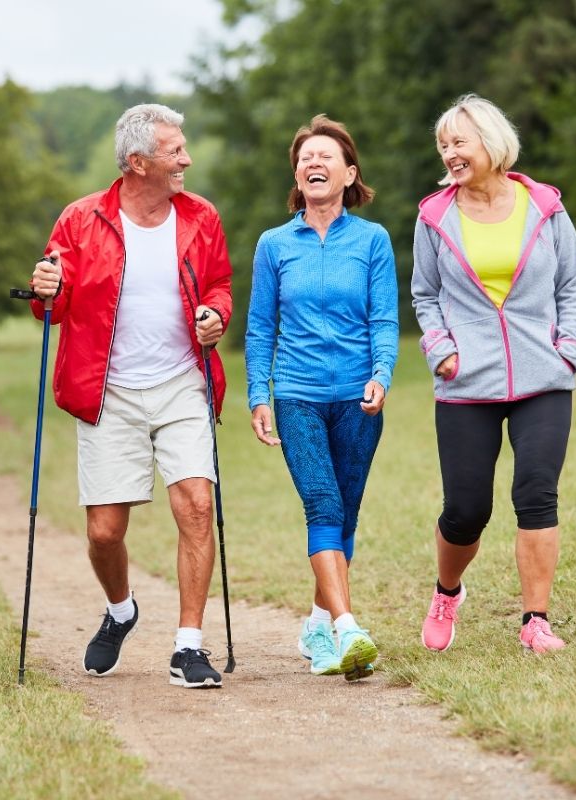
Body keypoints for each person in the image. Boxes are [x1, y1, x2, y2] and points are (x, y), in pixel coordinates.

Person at [29, 104, 232, 689]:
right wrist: (46, 288)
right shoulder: (80, 219)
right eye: (175, 151)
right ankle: (121, 610)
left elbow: (218, 284)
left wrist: (215, 316)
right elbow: (54, 305)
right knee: (104, 533)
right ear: (137, 162)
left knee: (196, 502)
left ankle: (188, 645)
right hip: (107, 391)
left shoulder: (200, 217)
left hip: (180, 384)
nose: (186, 159)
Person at [411, 93, 576, 654]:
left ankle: (535, 620)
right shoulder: (434, 216)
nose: (450, 153)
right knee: (467, 509)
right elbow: (425, 294)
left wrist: (568, 348)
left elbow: (572, 283)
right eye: (443, 145)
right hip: (466, 381)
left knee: (537, 493)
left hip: (543, 375)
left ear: (490, 142)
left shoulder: (545, 207)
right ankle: (447, 591)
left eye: (458, 142)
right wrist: (441, 350)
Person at [245, 115, 399, 681]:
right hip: (298, 394)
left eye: (325, 156)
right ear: (297, 173)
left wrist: (382, 372)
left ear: (349, 173)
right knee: (322, 504)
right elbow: (260, 327)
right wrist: (257, 394)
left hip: (359, 397)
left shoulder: (373, 240)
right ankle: (348, 626)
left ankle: (317, 623)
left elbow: (385, 317)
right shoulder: (274, 244)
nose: (313, 162)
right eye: (305, 156)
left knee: (346, 513)